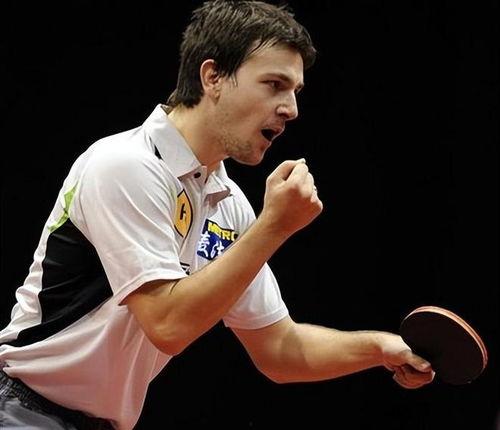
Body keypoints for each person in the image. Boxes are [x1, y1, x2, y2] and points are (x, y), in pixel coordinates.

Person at [0, 1, 435, 429]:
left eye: (295, 92)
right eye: (274, 84)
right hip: (23, 408)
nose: (291, 109)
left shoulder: (228, 205)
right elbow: (167, 324)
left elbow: (279, 349)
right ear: (213, 77)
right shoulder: (126, 165)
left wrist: (379, 348)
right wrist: (274, 226)